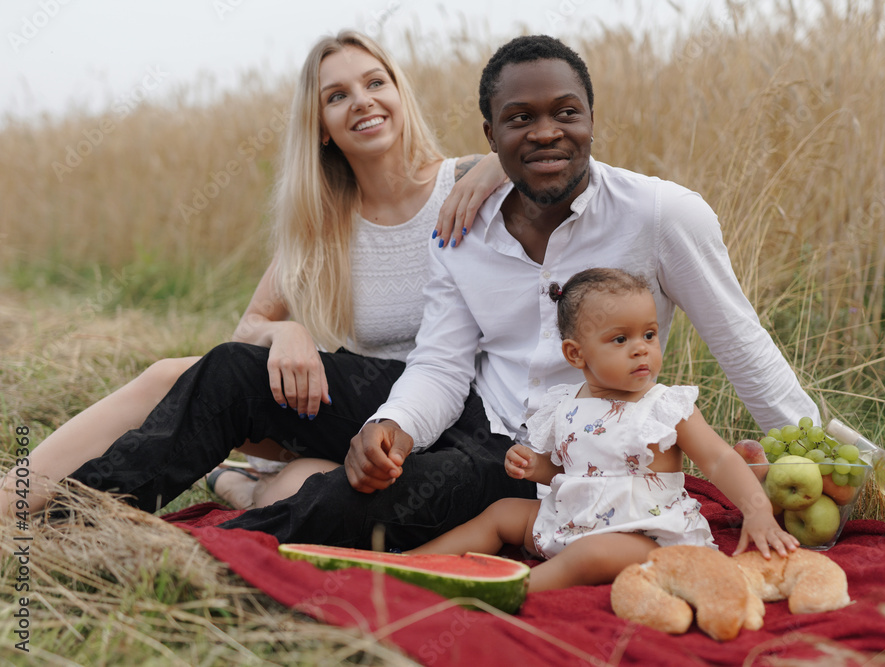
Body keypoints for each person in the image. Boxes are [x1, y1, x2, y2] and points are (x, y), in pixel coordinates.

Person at [37, 34, 818, 552]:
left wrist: (823, 457)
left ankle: (220, 535)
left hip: (517, 454)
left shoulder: (648, 212)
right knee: (215, 371)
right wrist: (391, 425)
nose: (544, 132)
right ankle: (72, 517)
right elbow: (442, 362)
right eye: (519, 120)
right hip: (440, 404)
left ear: (591, 118)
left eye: (564, 114)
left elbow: (743, 343)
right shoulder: (449, 225)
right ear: (490, 131)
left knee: (348, 501)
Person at [0, 30, 508, 518]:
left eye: (376, 83)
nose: (362, 101)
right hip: (362, 416)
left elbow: (566, 167)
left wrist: (501, 162)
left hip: (464, 414)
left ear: (400, 93)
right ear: (321, 128)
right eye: (337, 95)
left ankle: (241, 486)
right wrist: (285, 331)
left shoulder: (467, 181)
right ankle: (13, 504)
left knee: (295, 489)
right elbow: (249, 328)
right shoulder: (325, 222)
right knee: (177, 381)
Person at [411, 268, 798, 592]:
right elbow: (569, 470)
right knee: (502, 513)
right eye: (620, 339)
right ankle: (410, 563)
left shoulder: (665, 406)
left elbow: (718, 458)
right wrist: (535, 466)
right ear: (576, 354)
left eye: (649, 334)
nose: (641, 348)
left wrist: (757, 509)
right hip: (569, 519)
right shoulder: (565, 403)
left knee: (591, 555)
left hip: (644, 537)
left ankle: (508, 589)